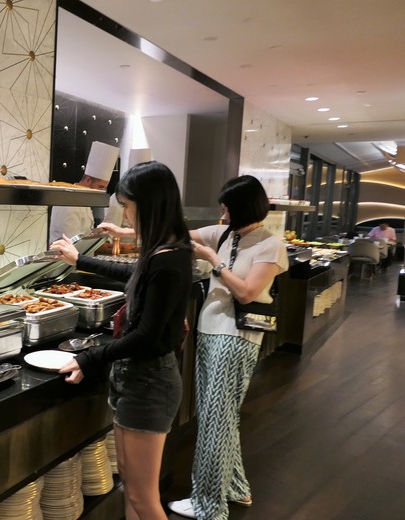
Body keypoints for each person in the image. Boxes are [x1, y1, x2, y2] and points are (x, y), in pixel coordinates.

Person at [50, 161, 194, 520]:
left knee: (144, 498)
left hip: (149, 383)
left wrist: (88, 358)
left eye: (128, 206)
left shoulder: (168, 260)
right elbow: (133, 273)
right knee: (130, 484)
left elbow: (146, 337)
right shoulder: (166, 250)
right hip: (137, 379)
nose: (126, 216)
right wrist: (80, 260)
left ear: (148, 205)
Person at [167, 175, 288, 520]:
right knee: (219, 417)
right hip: (209, 331)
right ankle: (236, 487)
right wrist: (123, 231)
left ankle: (208, 505)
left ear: (242, 208)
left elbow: (247, 293)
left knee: (214, 422)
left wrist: (213, 260)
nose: (222, 213)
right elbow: (176, 233)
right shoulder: (224, 234)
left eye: (227, 208)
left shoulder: (270, 245)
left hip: (236, 337)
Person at [48, 141, 119, 244]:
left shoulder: (84, 199)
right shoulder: (68, 200)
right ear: (88, 180)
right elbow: (71, 241)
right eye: (100, 187)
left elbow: (84, 235)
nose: (101, 192)